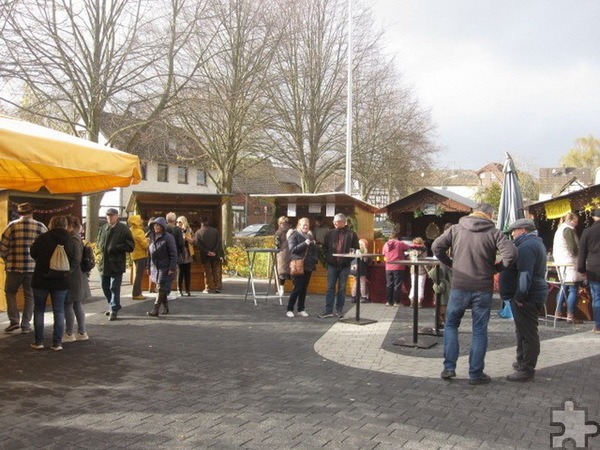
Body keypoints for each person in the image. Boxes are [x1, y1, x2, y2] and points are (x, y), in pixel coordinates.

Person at [432, 203, 517, 385]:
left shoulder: (456, 228)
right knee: (479, 330)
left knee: (451, 325)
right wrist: (495, 269)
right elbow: (511, 254)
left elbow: (436, 247)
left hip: (459, 286)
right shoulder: (494, 232)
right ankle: (476, 373)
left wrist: (451, 264)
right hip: (482, 287)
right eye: (492, 215)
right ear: (488, 214)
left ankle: (449, 368)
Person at [499, 218, 548, 382]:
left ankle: (527, 368)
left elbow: (525, 274)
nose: (512, 234)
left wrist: (520, 296)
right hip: (530, 293)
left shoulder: (527, 246)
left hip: (527, 296)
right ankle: (522, 361)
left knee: (527, 333)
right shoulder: (533, 243)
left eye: (515, 230)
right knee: (522, 331)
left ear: (524, 230)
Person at [29, 215, 77, 351]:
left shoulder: (43, 238)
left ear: (51, 224)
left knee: (39, 310)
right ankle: (57, 343)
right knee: (59, 310)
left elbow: (33, 253)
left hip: (41, 279)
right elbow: (73, 258)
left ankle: (38, 341)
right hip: (61, 280)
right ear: (65, 225)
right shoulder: (69, 240)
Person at [0, 202, 47, 334]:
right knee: (30, 296)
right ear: (32, 212)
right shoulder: (40, 226)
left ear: (19, 213)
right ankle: (26, 325)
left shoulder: (12, 226)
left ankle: (14, 321)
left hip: (14, 267)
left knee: (10, 293)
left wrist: (7, 258)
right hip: (33, 268)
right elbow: (46, 248)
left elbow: (2, 247)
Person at [317, 213, 359, 318]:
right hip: (332, 264)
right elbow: (324, 247)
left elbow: (356, 249)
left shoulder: (351, 234)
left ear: (344, 222)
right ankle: (328, 310)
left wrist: (350, 259)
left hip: (345, 265)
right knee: (330, 287)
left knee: (342, 288)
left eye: (337, 222)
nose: (335, 223)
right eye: (334, 222)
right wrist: (328, 259)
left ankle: (339, 310)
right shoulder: (330, 233)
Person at [96, 208, 134, 321]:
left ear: (117, 216)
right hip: (104, 263)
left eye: (112, 215)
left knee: (114, 287)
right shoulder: (103, 228)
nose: (109, 217)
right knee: (104, 285)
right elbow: (98, 241)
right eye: (108, 215)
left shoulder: (123, 229)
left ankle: (114, 309)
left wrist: (117, 248)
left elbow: (131, 246)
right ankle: (112, 304)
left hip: (116, 263)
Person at [63, 215, 91, 343]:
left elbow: (75, 258)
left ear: (70, 226)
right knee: (76, 304)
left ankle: (69, 333)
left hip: (74, 276)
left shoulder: (72, 238)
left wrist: (68, 272)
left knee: (68, 303)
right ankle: (81, 331)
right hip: (79, 276)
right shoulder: (77, 238)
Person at [552, 212, 582, 322]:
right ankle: (570, 315)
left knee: (563, 287)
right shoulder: (568, 229)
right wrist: (580, 252)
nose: (577, 224)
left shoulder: (560, 229)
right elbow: (573, 248)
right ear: (570, 220)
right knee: (573, 288)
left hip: (561, 261)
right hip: (569, 262)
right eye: (575, 221)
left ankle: (558, 312)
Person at [286, 218, 319, 318]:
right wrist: (305, 243)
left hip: (308, 265)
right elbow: (292, 249)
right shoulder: (294, 235)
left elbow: (313, 249)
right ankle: (289, 309)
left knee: (304, 288)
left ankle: (301, 309)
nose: (306, 227)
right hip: (298, 264)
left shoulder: (309, 235)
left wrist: (314, 258)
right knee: (297, 288)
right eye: (304, 225)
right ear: (299, 225)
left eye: (307, 225)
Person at [146, 217, 178, 317]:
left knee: (160, 287)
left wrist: (172, 268)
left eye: (158, 225)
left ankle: (155, 309)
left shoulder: (169, 237)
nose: (156, 227)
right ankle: (166, 307)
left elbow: (173, 254)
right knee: (161, 288)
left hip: (165, 267)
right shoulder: (151, 236)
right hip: (155, 267)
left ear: (163, 227)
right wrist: (148, 267)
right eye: (154, 225)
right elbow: (149, 253)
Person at [576, 208, 600, 334]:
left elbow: (582, 252)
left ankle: (598, 326)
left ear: (594, 218)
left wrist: (581, 269)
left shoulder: (587, 231)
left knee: (597, 298)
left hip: (594, 269)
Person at [381, 230, 410, 307]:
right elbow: (408, 247)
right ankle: (397, 302)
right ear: (397, 237)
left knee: (389, 284)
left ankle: (389, 301)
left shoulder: (385, 244)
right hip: (398, 266)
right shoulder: (399, 243)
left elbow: (383, 254)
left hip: (388, 267)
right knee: (397, 285)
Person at [195, 217, 223, 294]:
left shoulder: (198, 233)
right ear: (208, 222)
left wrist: (207, 252)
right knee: (215, 271)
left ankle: (208, 288)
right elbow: (219, 242)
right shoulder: (215, 231)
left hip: (205, 255)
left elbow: (198, 244)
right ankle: (217, 287)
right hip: (215, 255)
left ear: (201, 223)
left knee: (207, 272)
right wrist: (214, 251)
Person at [128, 215, 148, 300]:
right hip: (141, 255)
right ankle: (136, 293)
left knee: (137, 275)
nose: (141, 221)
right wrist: (148, 241)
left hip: (134, 255)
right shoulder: (139, 232)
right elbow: (145, 245)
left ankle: (138, 292)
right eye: (140, 220)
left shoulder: (130, 230)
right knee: (139, 276)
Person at [166, 212, 184, 299]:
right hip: (174, 254)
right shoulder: (177, 230)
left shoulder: (163, 228)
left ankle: (163, 292)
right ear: (174, 220)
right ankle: (167, 293)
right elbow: (181, 243)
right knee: (171, 273)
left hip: (164, 254)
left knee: (163, 273)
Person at [176, 215, 195, 296]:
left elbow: (193, 241)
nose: (178, 223)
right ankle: (179, 290)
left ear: (184, 222)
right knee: (180, 273)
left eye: (179, 222)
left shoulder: (189, 230)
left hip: (188, 253)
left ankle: (188, 290)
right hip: (179, 253)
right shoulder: (176, 230)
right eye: (177, 222)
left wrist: (186, 238)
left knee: (187, 273)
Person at [408, 237, 428, 307]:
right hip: (421, 270)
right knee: (420, 286)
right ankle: (419, 302)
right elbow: (425, 261)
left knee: (413, 285)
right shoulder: (424, 250)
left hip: (413, 269)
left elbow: (410, 259)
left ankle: (412, 301)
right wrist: (428, 271)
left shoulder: (411, 249)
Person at [350, 238, 371, 303]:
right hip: (361, 269)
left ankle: (353, 297)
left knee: (356, 283)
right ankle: (364, 297)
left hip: (354, 268)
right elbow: (365, 261)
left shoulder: (354, 250)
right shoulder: (363, 250)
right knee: (362, 283)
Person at [275, 216, 292, 293]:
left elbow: (277, 244)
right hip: (291, 253)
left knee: (282, 272)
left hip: (282, 254)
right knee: (292, 272)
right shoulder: (291, 231)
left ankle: (281, 290)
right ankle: (294, 289)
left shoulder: (278, 232)